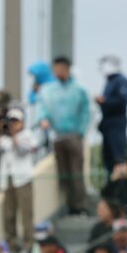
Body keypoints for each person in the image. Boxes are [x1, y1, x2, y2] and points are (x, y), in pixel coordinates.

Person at [37, 56, 91, 216]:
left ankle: (79, 206)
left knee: (76, 172)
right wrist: (44, 120)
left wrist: (80, 131)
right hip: (58, 136)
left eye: (60, 68)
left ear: (66, 69)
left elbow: (86, 111)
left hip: (74, 135)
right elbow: (43, 109)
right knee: (63, 173)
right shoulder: (49, 90)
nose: (57, 72)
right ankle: (67, 205)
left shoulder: (78, 89)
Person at [0, 109, 38, 253]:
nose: (12, 124)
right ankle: (11, 245)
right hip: (7, 180)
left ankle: (28, 244)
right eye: (10, 121)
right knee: (8, 215)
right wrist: (0, 134)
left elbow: (25, 149)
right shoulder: (4, 138)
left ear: (22, 122)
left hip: (23, 179)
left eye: (15, 121)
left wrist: (14, 137)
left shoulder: (27, 135)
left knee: (26, 214)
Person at [95, 55, 127, 173]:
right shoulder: (109, 82)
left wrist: (105, 101)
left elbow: (121, 101)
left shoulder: (121, 80)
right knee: (108, 156)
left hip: (117, 122)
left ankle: (121, 185)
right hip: (107, 123)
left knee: (118, 155)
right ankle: (111, 185)